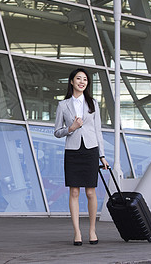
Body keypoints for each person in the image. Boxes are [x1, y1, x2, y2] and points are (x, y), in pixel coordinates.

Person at [54, 68, 109, 246]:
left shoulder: (93, 103)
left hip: (91, 150)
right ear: (71, 81)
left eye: (85, 79)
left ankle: (92, 230)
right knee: (75, 192)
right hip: (73, 151)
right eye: (78, 78)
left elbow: (98, 131)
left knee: (91, 192)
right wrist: (71, 128)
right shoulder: (63, 105)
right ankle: (77, 232)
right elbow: (57, 132)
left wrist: (102, 156)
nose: (82, 82)